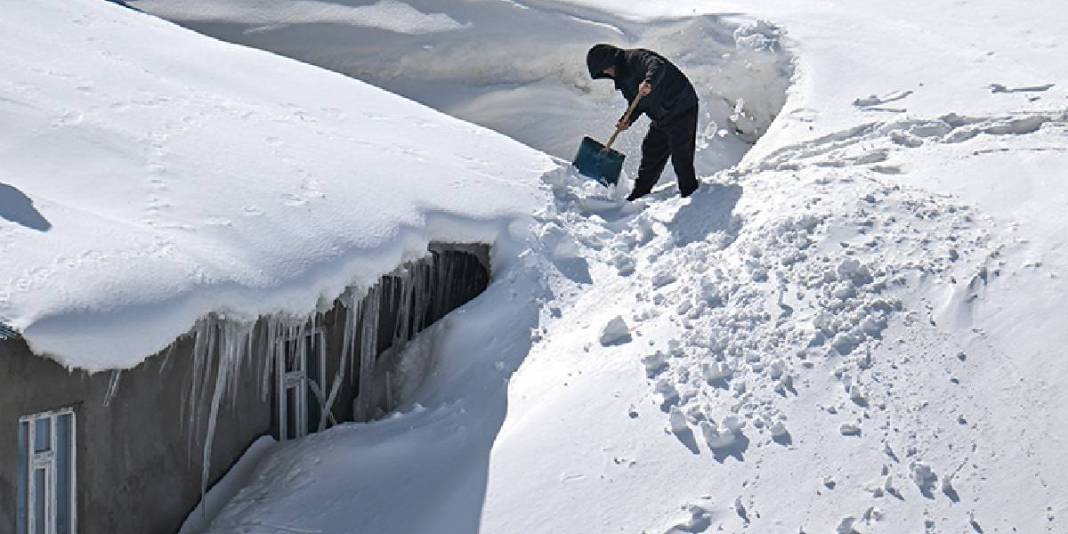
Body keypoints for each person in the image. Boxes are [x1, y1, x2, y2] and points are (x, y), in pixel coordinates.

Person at [586, 44, 700, 201]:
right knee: (651, 149)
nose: (606, 73)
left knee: (681, 154)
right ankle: (640, 192)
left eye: (606, 68)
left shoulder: (636, 58)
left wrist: (649, 81)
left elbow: (657, 65)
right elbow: (636, 102)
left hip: (681, 107)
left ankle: (691, 193)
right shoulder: (623, 79)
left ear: (612, 61)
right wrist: (627, 119)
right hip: (662, 116)